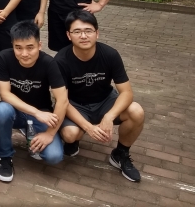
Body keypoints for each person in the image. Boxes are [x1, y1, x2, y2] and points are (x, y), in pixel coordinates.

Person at [56, 10, 144, 182]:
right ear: (68, 35)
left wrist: (109, 116)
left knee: (136, 111)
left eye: (88, 31)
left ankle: (120, 154)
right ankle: (73, 142)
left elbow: (127, 92)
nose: (83, 36)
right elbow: (62, 101)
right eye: (77, 31)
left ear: (97, 33)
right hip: (76, 104)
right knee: (70, 134)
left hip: (105, 101)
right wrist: (89, 128)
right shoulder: (60, 60)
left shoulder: (110, 54)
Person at [0, 20, 68, 183]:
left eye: (30, 47)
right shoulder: (4, 58)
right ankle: (5, 157)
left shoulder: (49, 63)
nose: (24, 53)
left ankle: (30, 130)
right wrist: (35, 112)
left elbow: (62, 100)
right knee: (2, 110)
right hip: (16, 111)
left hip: (42, 113)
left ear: (39, 45)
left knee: (54, 156)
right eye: (18, 48)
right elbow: (5, 94)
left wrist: (50, 133)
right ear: (12, 46)